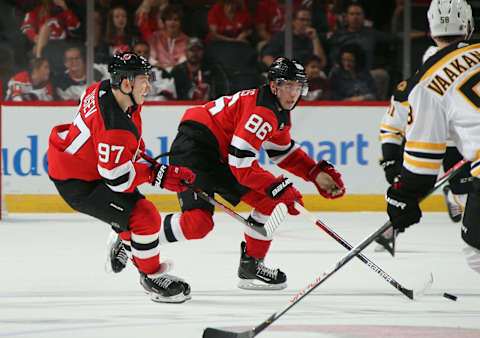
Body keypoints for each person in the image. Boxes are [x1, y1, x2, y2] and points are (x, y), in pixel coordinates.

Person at [110, 57, 345, 290]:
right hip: (196, 148)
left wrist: (314, 173)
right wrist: (278, 187)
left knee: (267, 201)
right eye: (288, 86)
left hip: (221, 158)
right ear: (274, 86)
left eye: (298, 87)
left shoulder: (278, 110)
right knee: (198, 224)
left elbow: (281, 152)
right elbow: (242, 166)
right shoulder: (262, 111)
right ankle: (131, 237)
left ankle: (251, 265)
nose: (293, 94)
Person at [46, 52, 196, 303]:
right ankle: (150, 276)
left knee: (132, 214)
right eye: (144, 80)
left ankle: (123, 232)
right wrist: (158, 174)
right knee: (145, 217)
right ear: (126, 83)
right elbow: (117, 180)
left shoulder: (104, 89)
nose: (149, 86)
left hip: (77, 163)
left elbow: (116, 143)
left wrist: (138, 155)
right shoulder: (114, 126)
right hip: (79, 183)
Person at [385, 0, 480, 275]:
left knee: (476, 252)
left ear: (430, 29)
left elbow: (422, 161)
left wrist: (404, 195)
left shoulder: (426, 81)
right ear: (469, 26)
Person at [262, 7, 327, 69]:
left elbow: (321, 64)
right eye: (302, 20)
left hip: (307, 73)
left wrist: (315, 39)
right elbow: (267, 58)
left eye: (308, 20)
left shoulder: (312, 38)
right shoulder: (282, 36)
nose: (305, 23)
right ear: (293, 21)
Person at [148, 4, 189, 70]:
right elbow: (150, 57)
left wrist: (173, 67)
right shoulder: (155, 37)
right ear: (164, 21)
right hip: (157, 70)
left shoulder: (186, 40)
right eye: (169, 19)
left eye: (176, 20)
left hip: (178, 72)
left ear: (180, 22)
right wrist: (160, 66)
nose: (172, 23)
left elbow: (185, 59)